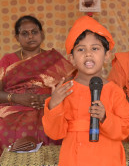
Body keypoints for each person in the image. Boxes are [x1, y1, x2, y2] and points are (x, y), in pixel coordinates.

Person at [42, 16, 129, 166]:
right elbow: (55, 133)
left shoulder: (114, 90)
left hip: (107, 162)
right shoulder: (65, 90)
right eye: (80, 49)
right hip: (74, 162)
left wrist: (106, 118)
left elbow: (127, 126)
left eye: (95, 48)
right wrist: (54, 105)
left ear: (106, 55)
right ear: (71, 58)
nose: (88, 54)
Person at [0, 15, 75, 152]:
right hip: (14, 107)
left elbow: (69, 87)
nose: (30, 36)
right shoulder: (7, 60)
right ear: (17, 37)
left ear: (41, 34)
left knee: (55, 125)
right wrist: (16, 98)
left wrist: (50, 99)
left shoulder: (54, 59)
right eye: (25, 33)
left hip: (48, 106)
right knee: (4, 128)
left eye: (34, 32)